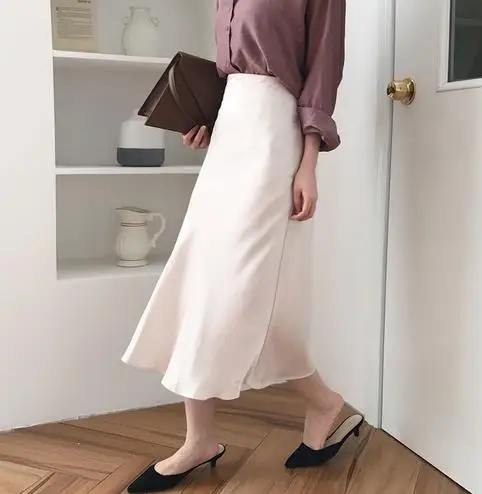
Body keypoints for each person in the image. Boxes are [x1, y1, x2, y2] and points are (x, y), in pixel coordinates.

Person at [124, 1, 362, 492]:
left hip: (275, 141)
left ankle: (321, 404)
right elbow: (232, 72)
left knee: (238, 292)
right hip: (230, 134)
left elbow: (322, 69)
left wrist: (308, 163)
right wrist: (208, 121)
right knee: (201, 280)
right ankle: (203, 439)